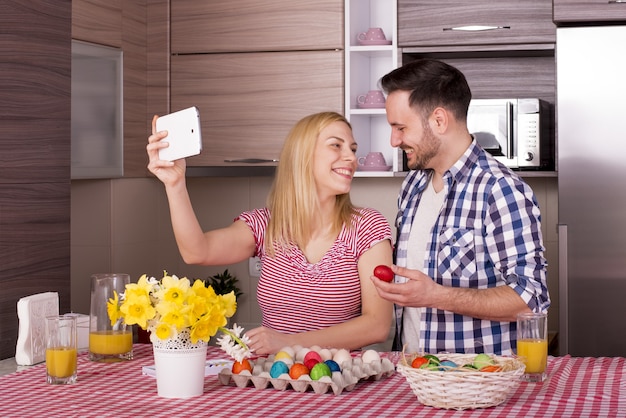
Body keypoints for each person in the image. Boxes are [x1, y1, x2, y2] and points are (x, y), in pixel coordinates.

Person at [147, 111, 393, 355]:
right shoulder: (264, 226)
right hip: (275, 379)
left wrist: (290, 343)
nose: (351, 157)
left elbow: (377, 325)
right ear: (302, 155)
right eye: (336, 146)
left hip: (342, 380)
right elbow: (196, 252)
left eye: (352, 148)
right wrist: (175, 184)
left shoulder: (367, 227)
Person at [370, 59, 550, 355]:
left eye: (401, 127)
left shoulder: (500, 190)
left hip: (477, 384)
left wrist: (437, 296)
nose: (394, 140)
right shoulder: (413, 185)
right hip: (415, 377)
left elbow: (530, 299)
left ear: (439, 121)